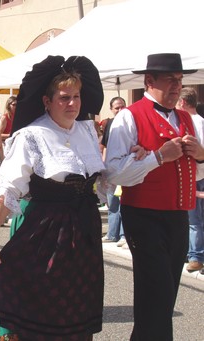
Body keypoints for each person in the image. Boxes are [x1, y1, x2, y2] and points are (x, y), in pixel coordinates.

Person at [0, 55, 110, 340]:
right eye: (64, 98)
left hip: (84, 231)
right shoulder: (31, 135)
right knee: (43, 306)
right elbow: (9, 189)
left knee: (78, 306)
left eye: (76, 96)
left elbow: (104, 176)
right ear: (47, 101)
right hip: (46, 230)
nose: (72, 103)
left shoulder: (87, 130)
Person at [105, 53, 204, 340]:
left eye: (180, 80)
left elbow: (194, 174)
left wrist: (200, 156)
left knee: (165, 295)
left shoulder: (186, 117)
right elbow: (113, 174)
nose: (177, 86)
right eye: (170, 80)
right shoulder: (129, 116)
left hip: (177, 217)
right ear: (149, 81)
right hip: (144, 216)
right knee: (156, 294)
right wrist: (158, 157)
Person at [177, 87, 204, 272]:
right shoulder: (200, 121)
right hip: (196, 174)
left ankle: (195, 255)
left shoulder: (193, 122)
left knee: (194, 220)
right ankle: (192, 252)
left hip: (194, 175)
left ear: (183, 102)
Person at [100, 97, 127, 247]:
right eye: (117, 108)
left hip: (124, 168)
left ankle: (123, 235)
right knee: (112, 203)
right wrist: (104, 167)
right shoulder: (109, 123)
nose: (120, 110)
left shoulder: (129, 122)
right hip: (111, 169)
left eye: (122, 106)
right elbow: (104, 146)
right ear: (111, 109)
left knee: (123, 203)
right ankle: (112, 233)